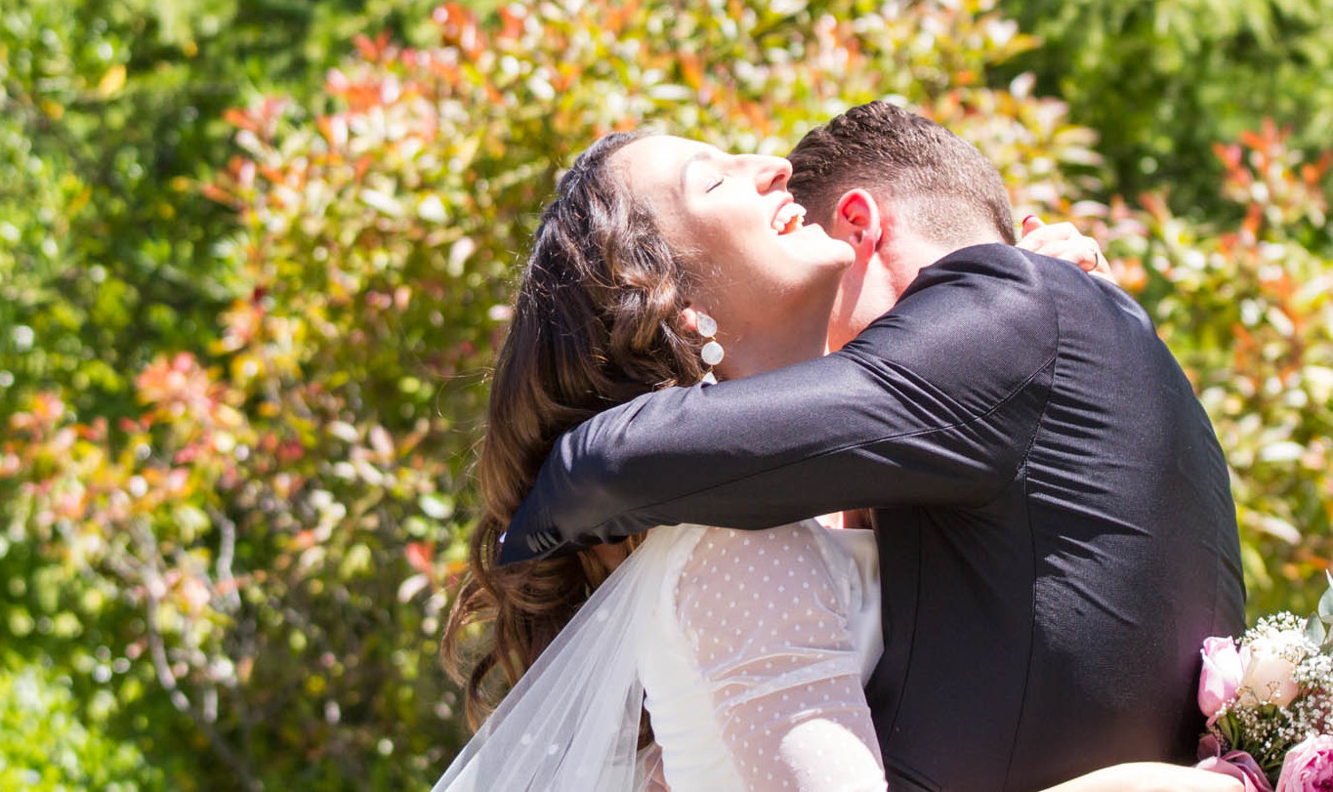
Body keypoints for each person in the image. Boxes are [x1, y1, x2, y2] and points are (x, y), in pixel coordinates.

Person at [468, 104, 1243, 791]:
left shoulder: (1013, 335)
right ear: (674, 300)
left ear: (862, 225)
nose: (769, 166)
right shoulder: (738, 541)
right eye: (713, 179)